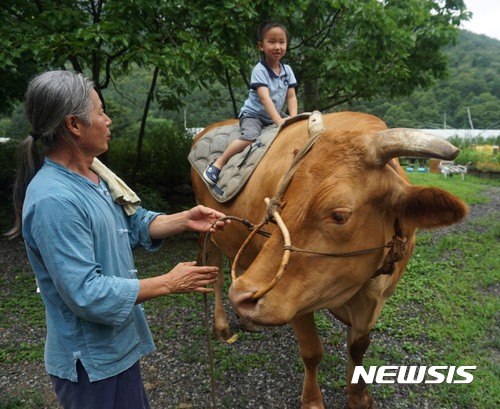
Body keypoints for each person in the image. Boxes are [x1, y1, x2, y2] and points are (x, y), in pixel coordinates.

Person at [7, 70, 230, 409]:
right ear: (74, 124)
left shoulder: (95, 173)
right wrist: (170, 282)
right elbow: (87, 294)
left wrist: (184, 219)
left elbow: (132, 222)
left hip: (117, 348)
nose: (108, 120)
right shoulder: (54, 200)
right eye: (100, 111)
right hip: (92, 365)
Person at [203, 21, 298, 185]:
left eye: (281, 42)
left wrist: (294, 119)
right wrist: (279, 121)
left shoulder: (287, 70)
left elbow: (291, 97)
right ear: (261, 46)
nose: (277, 46)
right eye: (272, 42)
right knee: (250, 138)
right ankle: (218, 164)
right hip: (254, 114)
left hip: (273, 114)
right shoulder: (260, 70)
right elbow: (264, 98)